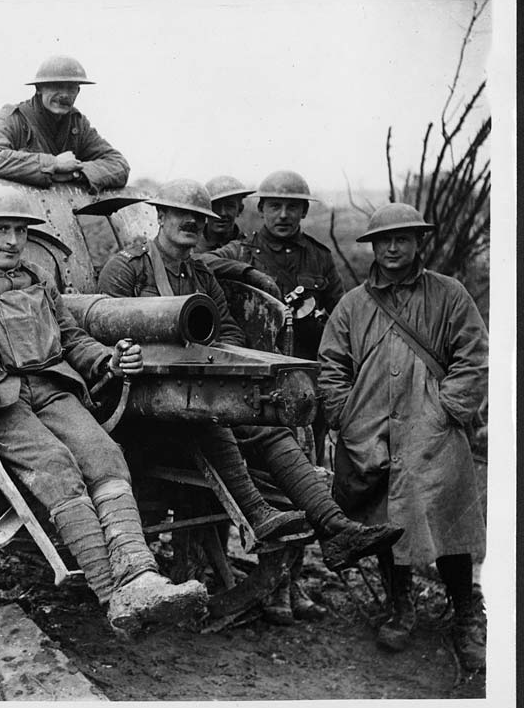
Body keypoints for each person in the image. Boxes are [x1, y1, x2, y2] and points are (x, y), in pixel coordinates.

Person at [96, 179, 403, 621]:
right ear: (159, 217)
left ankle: (337, 528)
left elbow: (228, 332)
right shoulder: (127, 269)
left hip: (193, 396)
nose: (190, 223)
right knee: (217, 415)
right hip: (139, 407)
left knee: (265, 421)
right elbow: (106, 336)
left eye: (197, 218)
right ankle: (260, 515)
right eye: (180, 214)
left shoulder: (201, 275)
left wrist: (218, 357)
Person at [0, 185, 204, 634]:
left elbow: (71, 338)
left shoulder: (38, 277)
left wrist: (108, 358)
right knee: (56, 468)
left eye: (20, 230)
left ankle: (142, 576)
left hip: (52, 387)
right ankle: (114, 596)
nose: (13, 240)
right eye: (1, 230)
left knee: (106, 456)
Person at [319, 203, 488, 669]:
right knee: (385, 521)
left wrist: (446, 409)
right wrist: (344, 415)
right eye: (384, 239)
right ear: (373, 246)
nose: (392, 247)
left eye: (403, 238)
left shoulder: (449, 295)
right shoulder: (353, 305)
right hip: (371, 434)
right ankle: (400, 605)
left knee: (449, 519)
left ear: (419, 242)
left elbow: (473, 356)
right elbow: (332, 364)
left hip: (433, 432)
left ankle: (465, 611)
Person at [201, 170, 345, 466]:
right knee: (266, 462)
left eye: (292, 207)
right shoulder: (242, 251)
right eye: (274, 206)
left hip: (309, 380)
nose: (283, 215)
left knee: (312, 464)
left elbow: (343, 320)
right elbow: (200, 261)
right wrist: (250, 274)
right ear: (260, 209)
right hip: (261, 385)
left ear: (304, 211)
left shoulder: (319, 257)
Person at [0, 55, 129, 192]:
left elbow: (119, 165)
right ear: (39, 89)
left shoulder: (78, 124)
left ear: (78, 91)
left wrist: (75, 173)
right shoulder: (11, 118)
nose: (64, 95)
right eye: (56, 86)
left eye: (71, 88)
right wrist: (54, 164)